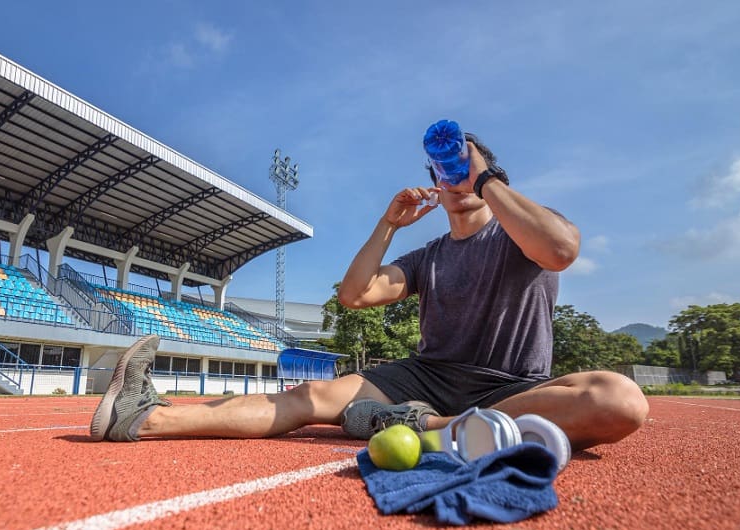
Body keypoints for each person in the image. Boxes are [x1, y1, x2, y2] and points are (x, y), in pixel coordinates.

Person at [89, 131, 649, 451]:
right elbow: (355, 295)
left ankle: (427, 429)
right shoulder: (427, 257)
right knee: (308, 400)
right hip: (426, 377)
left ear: (490, 173)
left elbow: (560, 251)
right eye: (443, 168)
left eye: (464, 164)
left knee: (619, 400)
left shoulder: (523, 226)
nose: (452, 174)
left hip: (512, 387)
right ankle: (146, 419)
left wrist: (481, 178)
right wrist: (388, 224)